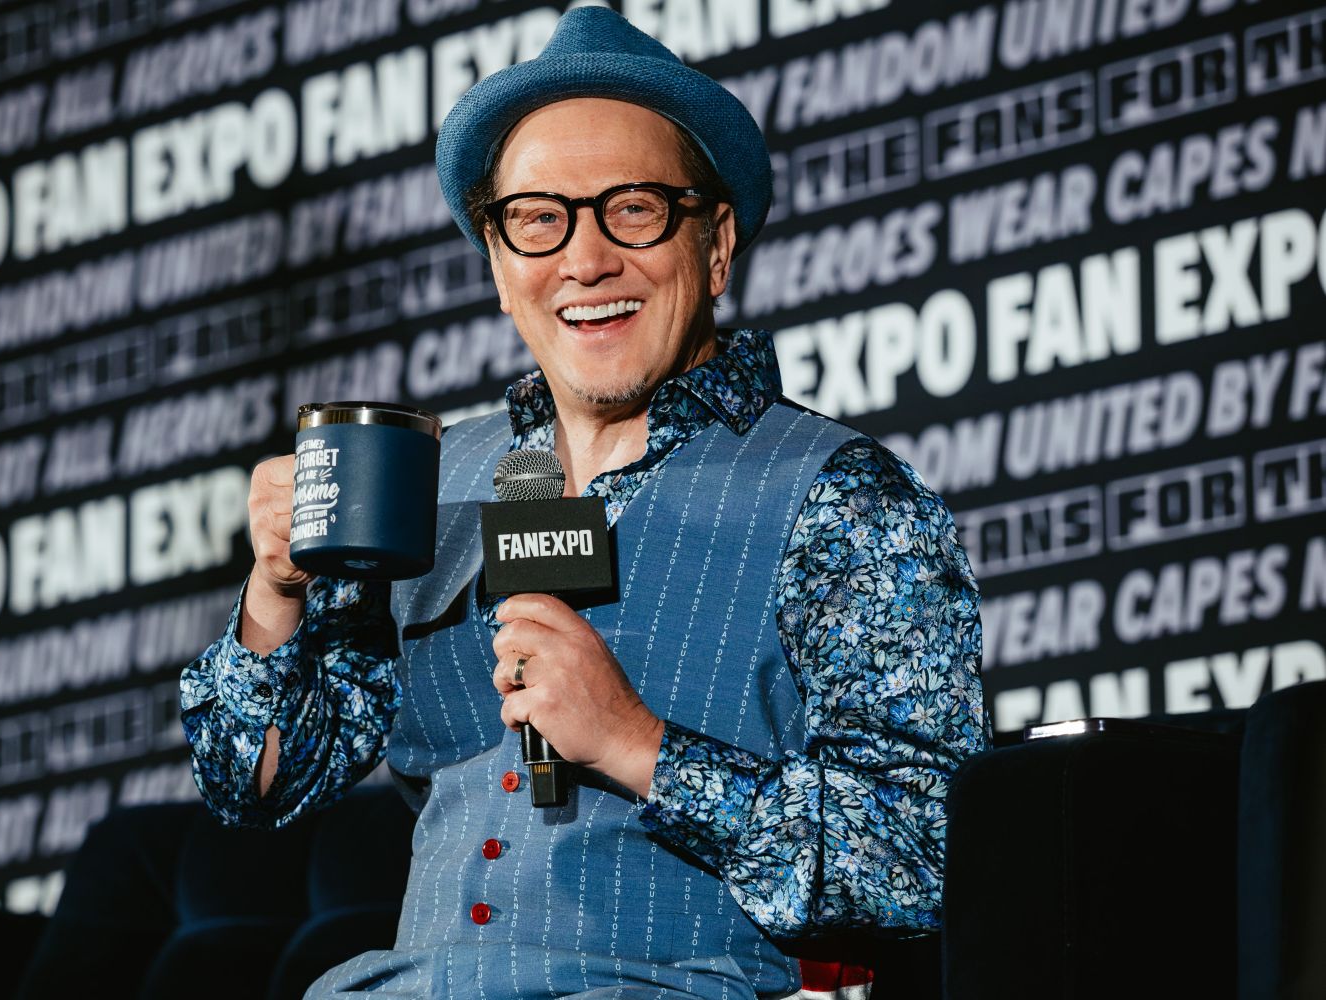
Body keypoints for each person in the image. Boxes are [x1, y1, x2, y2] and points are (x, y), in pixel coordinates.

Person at [181, 8, 989, 998]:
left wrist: (638, 746)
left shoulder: (843, 498)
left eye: (634, 209)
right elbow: (257, 781)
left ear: (718, 241)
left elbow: (924, 859)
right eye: (538, 217)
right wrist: (273, 599)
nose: (584, 257)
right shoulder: (425, 480)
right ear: (498, 262)